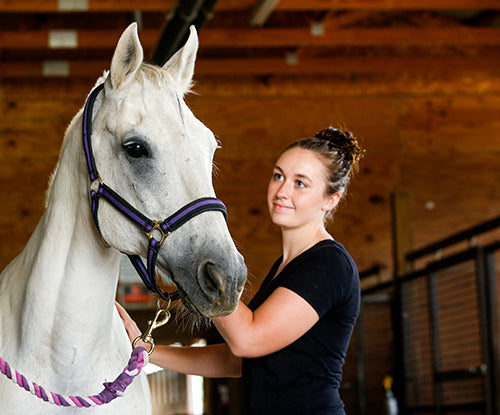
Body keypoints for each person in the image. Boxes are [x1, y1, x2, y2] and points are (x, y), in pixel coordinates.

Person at [116, 126, 364, 414]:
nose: (282, 191)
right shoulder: (286, 267)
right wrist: (148, 353)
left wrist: (200, 262)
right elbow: (236, 360)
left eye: (300, 183)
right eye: (278, 175)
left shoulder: (329, 264)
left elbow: (248, 340)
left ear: (330, 199)